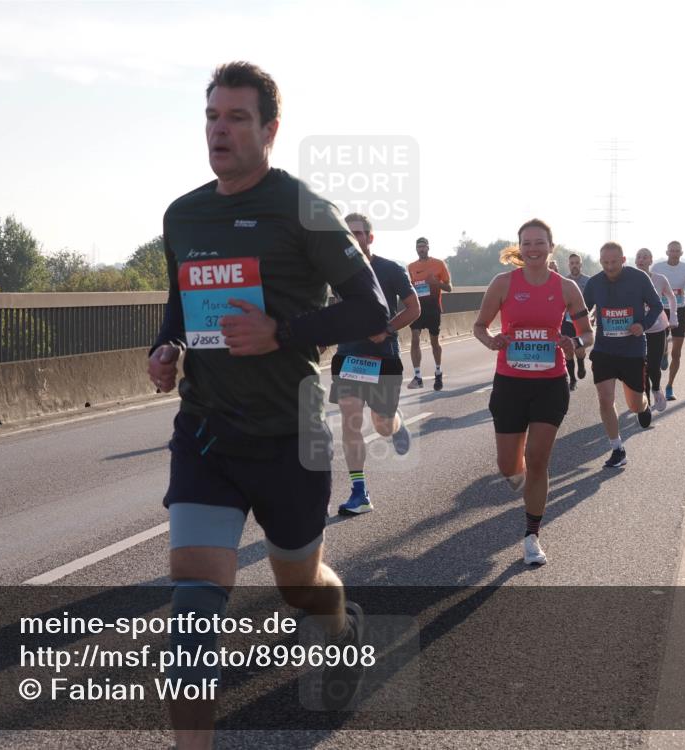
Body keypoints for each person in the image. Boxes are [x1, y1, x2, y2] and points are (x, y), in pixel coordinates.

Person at [147, 61, 389, 748]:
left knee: (301, 587)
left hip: (290, 438)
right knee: (192, 616)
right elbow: (180, 301)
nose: (219, 131)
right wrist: (165, 349)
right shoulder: (183, 213)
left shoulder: (303, 208)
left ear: (270, 129)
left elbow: (370, 306)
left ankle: (343, 628)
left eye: (237, 118)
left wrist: (281, 332)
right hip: (207, 434)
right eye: (212, 118)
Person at [473, 219, 593, 566]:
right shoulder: (503, 283)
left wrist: (575, 343)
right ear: (519, 248)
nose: (533, 249)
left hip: (550, 382)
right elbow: (479, 326)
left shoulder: (567, 288)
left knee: (539, 460)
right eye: (527, 243)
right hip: (510, 383)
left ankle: (531, 536)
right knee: (509, 467)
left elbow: (588, 333)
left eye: (540, 243)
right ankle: (521, 477)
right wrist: (491, 340)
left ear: (551, 247)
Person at [332, 213, 421, 515]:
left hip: (383, 356)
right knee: (350, 418)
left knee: (381, 425)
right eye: (348, 233)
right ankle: (360, 492)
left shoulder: (391, 269)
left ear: (370, 237)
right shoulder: (335, 271)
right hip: (349, 356)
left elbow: (414, 308)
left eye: (358, 233)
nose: (354, 238)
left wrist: (387, 330)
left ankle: (394, 422)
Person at [582, 242, 663, 468]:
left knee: (635, 404)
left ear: (623, 259)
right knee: (605, 399)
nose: (610, 267)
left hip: (632, 350)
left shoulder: (638, 278)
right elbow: (580, 310)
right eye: (605, 263)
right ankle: (617, 448)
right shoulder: (595, 283)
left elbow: (656, 306)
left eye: (614, 262)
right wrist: (574, 333)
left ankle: (644, 407)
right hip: (604, 350)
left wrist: (643, 324)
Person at [634, 248, 678, 413]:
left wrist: (673, 316)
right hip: (637, 329)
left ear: (650, 261)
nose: (641, 259)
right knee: (640, 366)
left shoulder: (659, 279)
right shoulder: (629, 280)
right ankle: (644, 402)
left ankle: (656, 389)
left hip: (657, 328)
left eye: (645, 257)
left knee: (653, 366)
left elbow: (672, 297)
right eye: (639, 256)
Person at [407, 237, 452, 391]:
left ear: (428, 248)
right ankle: (418, 376)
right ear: (416, 249)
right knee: (414, 338)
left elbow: (449, 288)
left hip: (433, 308)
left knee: (434, 342)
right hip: (417, 308)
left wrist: (436, 283)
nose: (421, 249)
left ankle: (438, 372)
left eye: (423, 247)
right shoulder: (411, 267)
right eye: (419, 247)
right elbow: (409, 287)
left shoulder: (439, 264)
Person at [652, 241, 685, 402]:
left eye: (677, 251)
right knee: (660, 347)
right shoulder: (657, 268)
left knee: (677, 353)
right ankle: (663, 352)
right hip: (660, 310)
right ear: (667, 252)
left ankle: (669, 386)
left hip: (679, 310)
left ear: (681, 253)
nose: (674, 253)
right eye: (671, 251)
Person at [562, 252, 592, 390]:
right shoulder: (564, 281)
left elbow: (596, 299)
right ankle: (572, 379)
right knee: (568, 350)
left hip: (581, 322)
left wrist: (596, 313)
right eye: (572, 263)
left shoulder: (588, 281)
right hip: (566, 322)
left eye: (577, 263)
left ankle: (580, 362)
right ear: (569, 265)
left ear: (581, 264)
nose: (574, 266)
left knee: (579, 349)